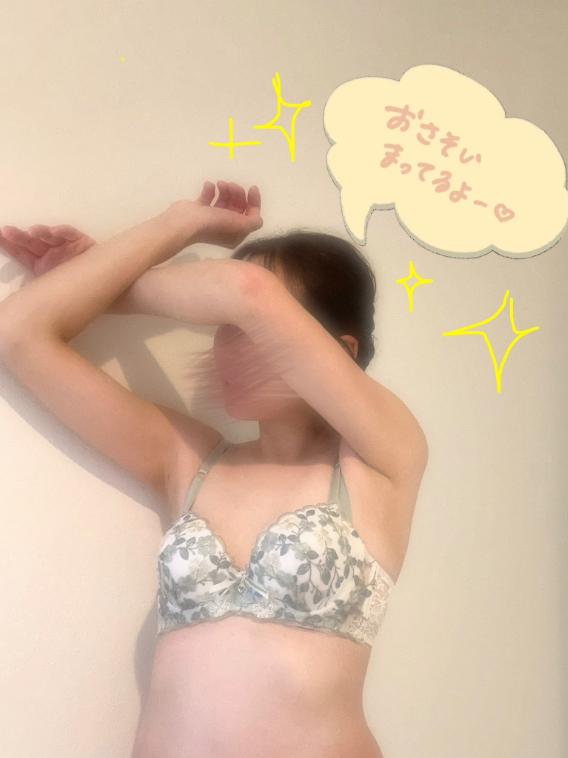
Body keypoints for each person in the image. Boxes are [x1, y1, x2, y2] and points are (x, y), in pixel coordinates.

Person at [0, 180, 428, 758]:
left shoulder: (382, 460)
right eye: (221, 326)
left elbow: (247, 289)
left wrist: (107, 280)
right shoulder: (189, 460)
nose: (226, 347)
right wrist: (176, 225)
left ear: (340, 353)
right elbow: (19, 333)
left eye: (250, 327)